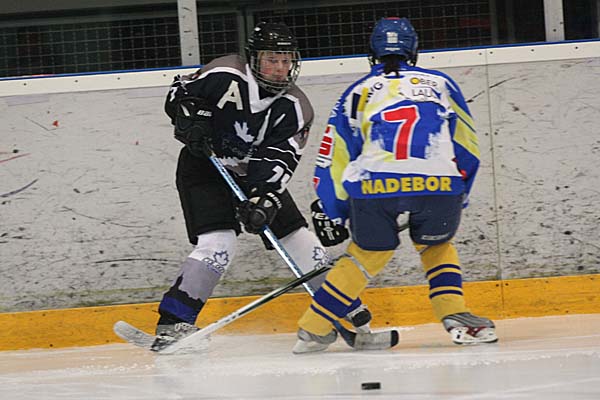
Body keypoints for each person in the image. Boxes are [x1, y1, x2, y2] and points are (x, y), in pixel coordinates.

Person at [151, 21, 371, 351]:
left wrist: (262, 199)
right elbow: (179, 93)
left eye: (286, 60)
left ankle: (342, 307)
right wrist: (188, 119)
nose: (280, 68)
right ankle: (174, 323)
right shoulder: (225, 72)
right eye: (272, 59)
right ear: (254, 59)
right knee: (218, 244)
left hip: (253, 173)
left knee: (298, 237)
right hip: (205, 168)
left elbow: (279, 158)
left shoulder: (296, 108)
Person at [293, 17, 498, 354]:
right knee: (437, 246)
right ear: (413, 50)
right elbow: (467, 146)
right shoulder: (441, 83)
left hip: (374, 187)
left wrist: (337, 209)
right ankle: (455, 314)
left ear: (372, 53)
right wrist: (459, 192)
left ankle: (314, 327)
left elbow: (334, 156)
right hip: (439, 184)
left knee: (365, 255)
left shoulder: (357, 92)